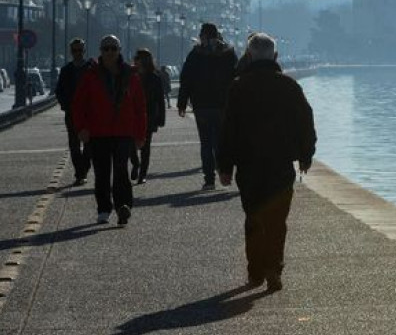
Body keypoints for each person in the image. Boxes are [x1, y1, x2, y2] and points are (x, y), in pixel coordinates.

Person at [216, 33, 315, 291]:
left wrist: (224, 165)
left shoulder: (238, 87)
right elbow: (305, 122)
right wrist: (306, 155)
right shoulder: (289, 87)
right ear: (276, 56)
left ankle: (255, 271)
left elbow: (228, 130)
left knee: (254, 217)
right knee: (277, 220)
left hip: (249, 165)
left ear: (248, 57)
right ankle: (274, 268)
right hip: (280, 164)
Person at [71, 35, 147, 226]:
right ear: (100, 51)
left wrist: (140, 135)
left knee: (121, 171)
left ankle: (124, 206)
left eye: (114, 48)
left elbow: (140, 108)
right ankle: (104, 208)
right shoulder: (91, 75)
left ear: (119, 50)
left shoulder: (131, 75)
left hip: (123, 132)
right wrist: (81, 128)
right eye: (106, 49)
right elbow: (78, 105)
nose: (110, 52)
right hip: (98, 132)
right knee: (102, 173)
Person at [178, 23, 239, 189]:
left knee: (205, 143)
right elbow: (237, 77)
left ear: (203, 36)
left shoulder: (195, 54)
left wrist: (182, 103)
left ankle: (209, 179)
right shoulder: (228, 53)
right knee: (221, 141)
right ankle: (224, 172)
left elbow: (186, 79)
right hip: (223, 105)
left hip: (202, 105)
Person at [54, 39, 93, 185]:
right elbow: (59, 91)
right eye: (75, 50)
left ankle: (84, 167)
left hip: (90, 113)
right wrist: (66, 105)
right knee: (74, 143)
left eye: (80, 50)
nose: (77, 53)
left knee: (90, 144)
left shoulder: (92, 67)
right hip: (72, 112)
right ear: (71, 52)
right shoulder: (66, 70)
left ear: (84, 51)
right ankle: (79, 173)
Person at [129, 48, 168, 184]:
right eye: (136, 58)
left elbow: (160, 100)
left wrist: (161, 118)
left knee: (146, 147)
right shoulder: (131, 75)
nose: (136, 60)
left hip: (149, 116)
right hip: (132, 115)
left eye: (139, 58)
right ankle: (135, 163)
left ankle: (142, 174)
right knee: (130, 144)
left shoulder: (154, 77)